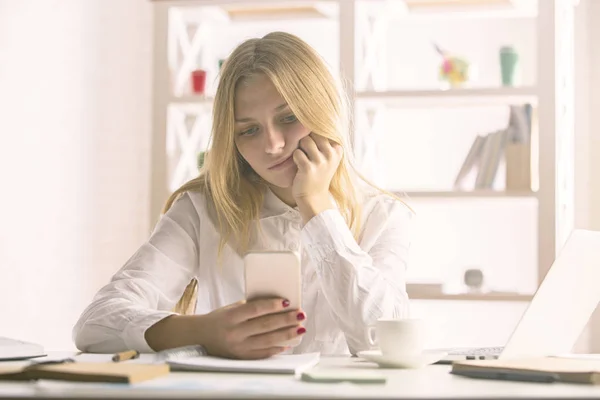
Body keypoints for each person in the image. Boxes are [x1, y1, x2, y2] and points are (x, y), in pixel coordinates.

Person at [73, 31, 414, 360]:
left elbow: (384, 340)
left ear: (323, 111)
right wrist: (202, 332)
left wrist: (317, 205)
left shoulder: (383, 216)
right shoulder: (202, 209)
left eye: (289, 117)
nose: (272, 145)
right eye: (249, 130)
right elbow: (96, 323)